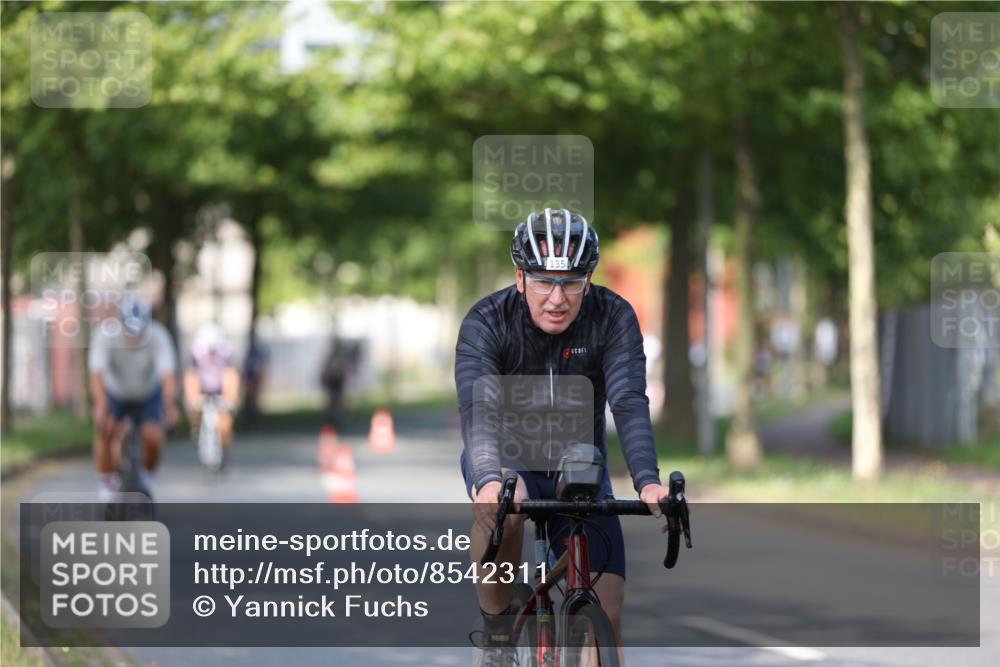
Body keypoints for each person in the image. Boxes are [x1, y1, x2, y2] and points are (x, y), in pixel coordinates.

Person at [455, 208, 672, 666]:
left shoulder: (612, 317)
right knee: (503, 515)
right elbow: (479, 413)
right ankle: (497, 633)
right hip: (507, 459)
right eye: (543, 282)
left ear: (588, 281)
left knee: (607, 615)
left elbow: (629, 401)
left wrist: (648, 481)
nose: (557, 298)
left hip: (578, 463)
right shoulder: (487, 321)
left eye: (571, 282)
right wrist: (489, 481)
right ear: (520, 277)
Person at [89, 293, 178, 501]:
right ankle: (107, 482)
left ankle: (146, 477)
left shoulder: (159, 336)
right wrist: (101, 405)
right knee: (106, 432)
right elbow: (96, 375)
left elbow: (167, 376)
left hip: (148, 393)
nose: (134, 338)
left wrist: (170, 404)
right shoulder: (105, 336)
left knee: (153, 436)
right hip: (115, 393)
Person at [184, 323, 240, 460]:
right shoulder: (197, 355)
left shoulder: (225, 355)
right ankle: (196, 427)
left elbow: (231, 376)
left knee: (225, 423)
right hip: (202, 388)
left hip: (220, 389)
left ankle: (224, 447)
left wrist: (230, 399)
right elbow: (191, 376)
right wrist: (193, 398)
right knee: (194, 404)